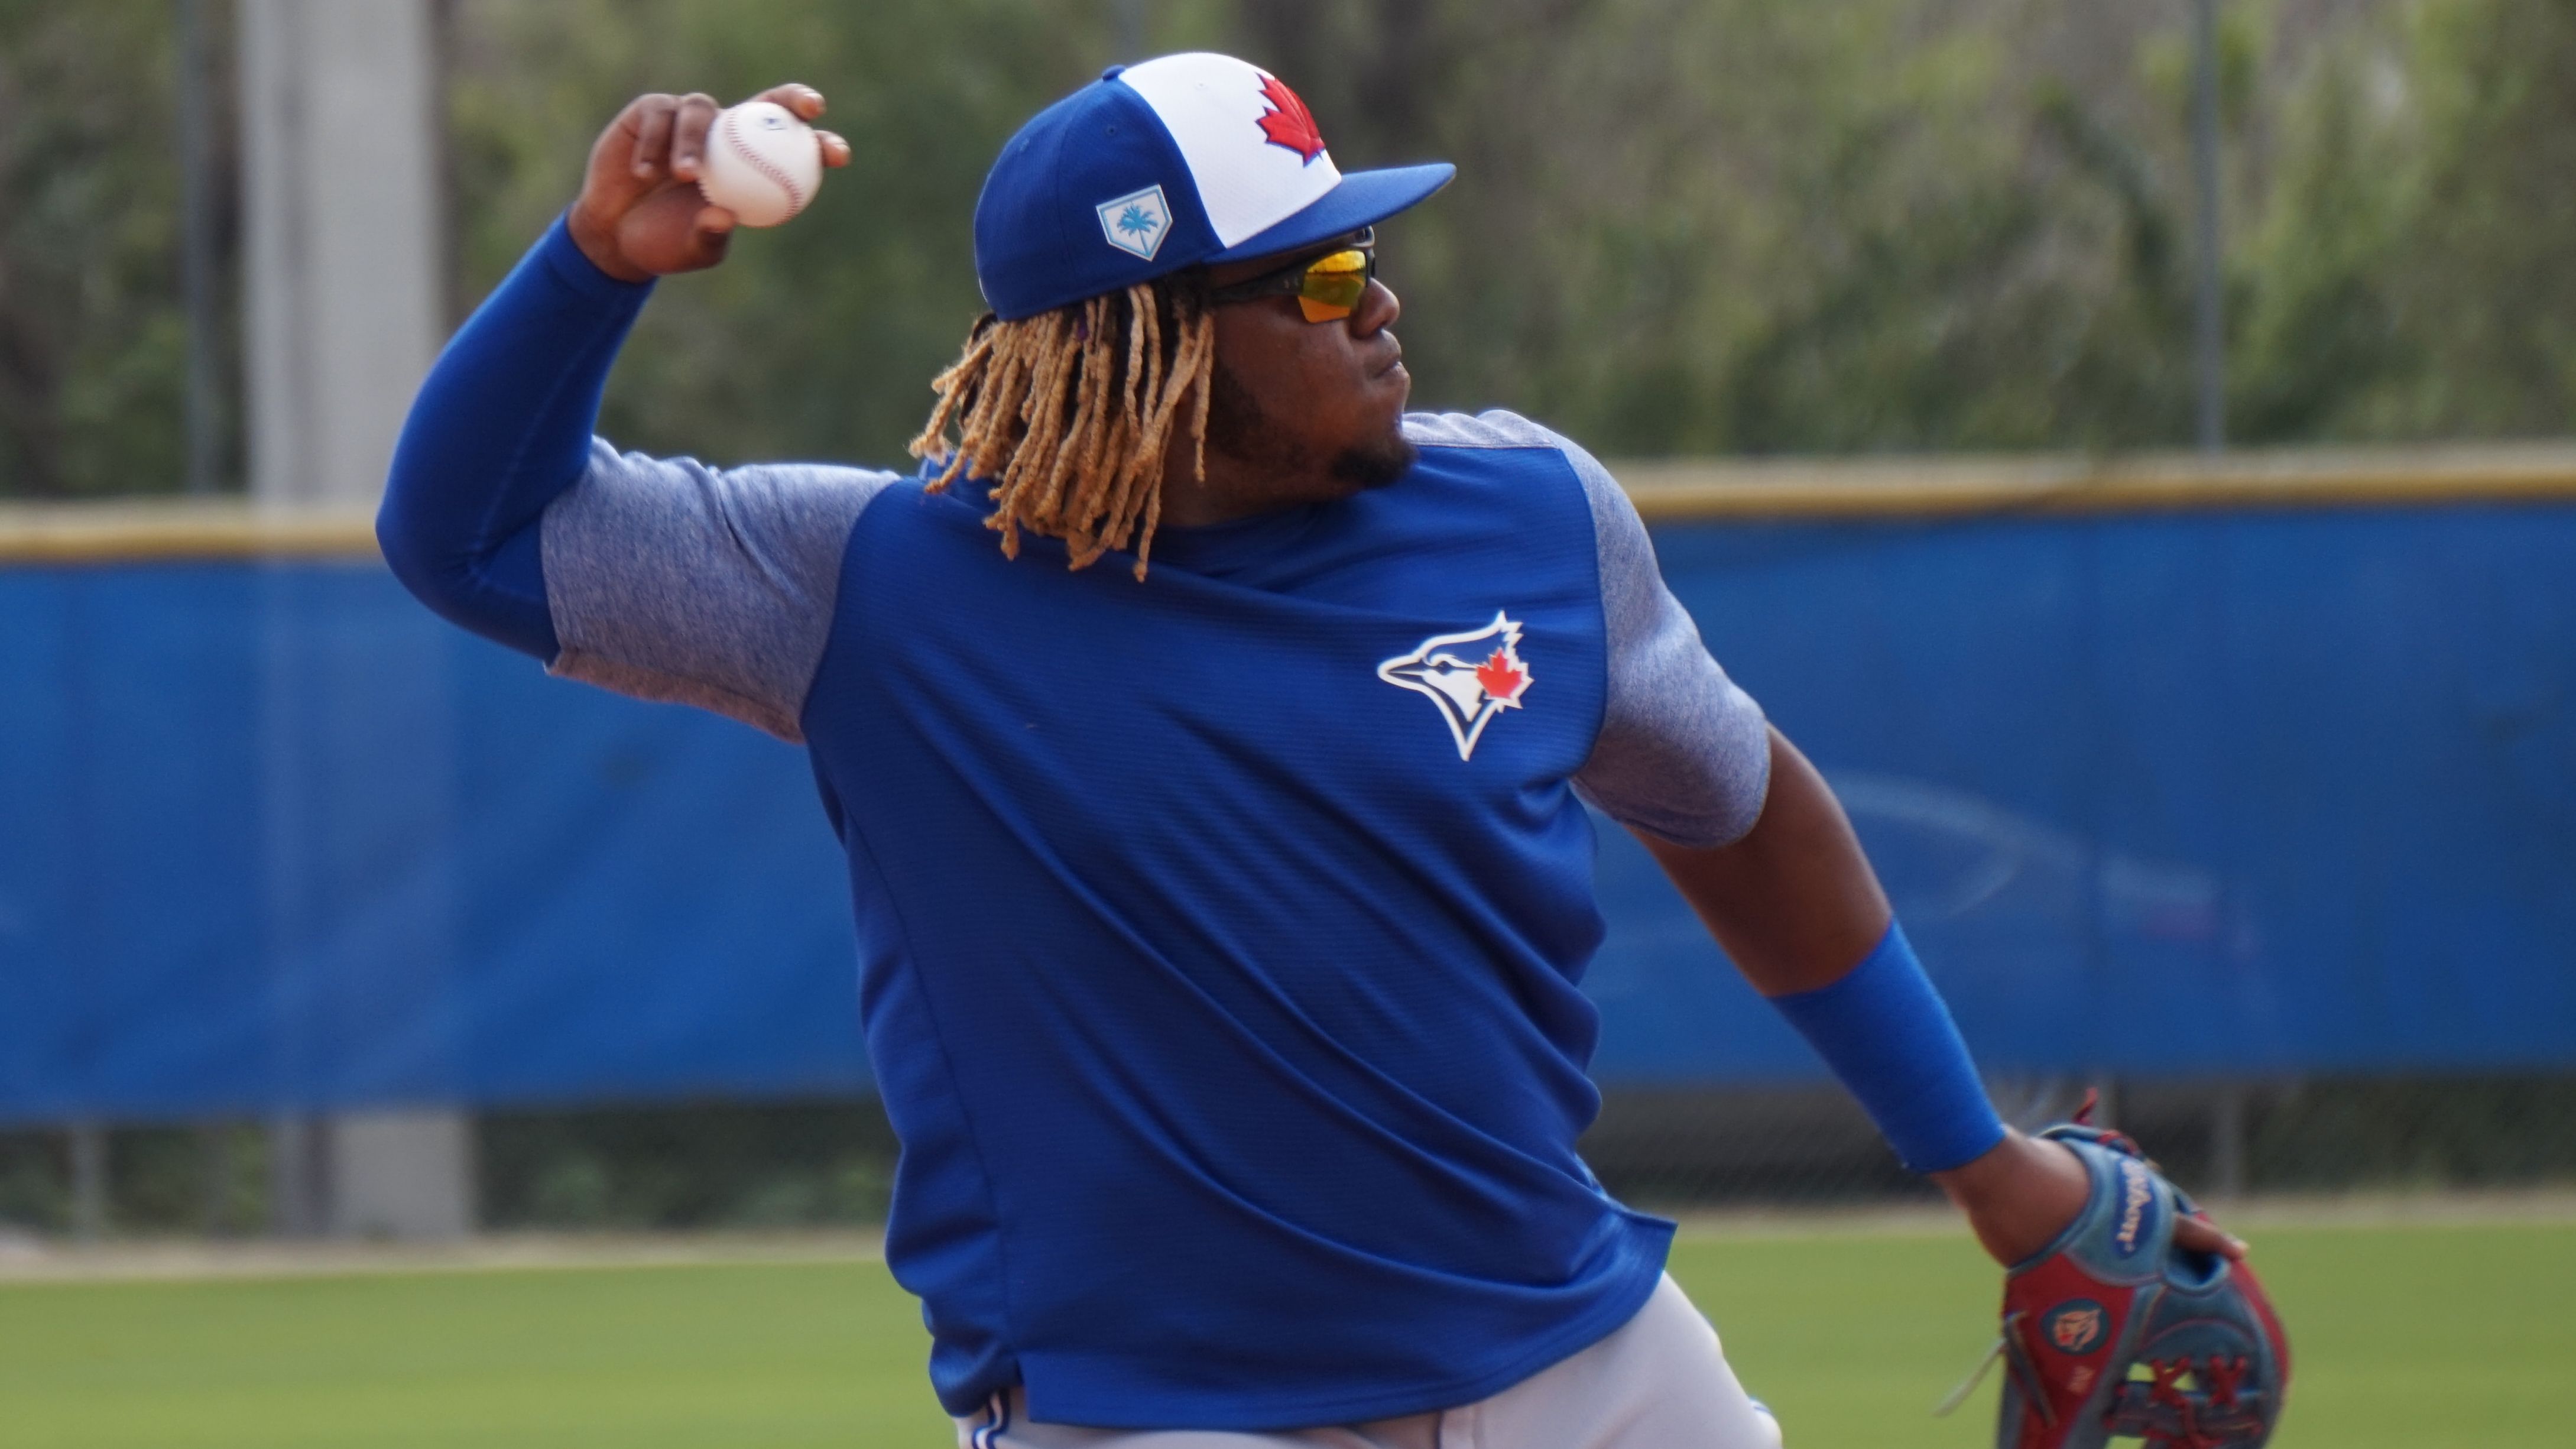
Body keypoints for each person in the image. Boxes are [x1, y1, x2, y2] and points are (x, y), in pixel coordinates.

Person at [381, 54, 2240, 1449]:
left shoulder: (1530, 519)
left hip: (1570, 1351)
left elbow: (1743, 813)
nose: (1385, 304)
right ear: (1146, 348)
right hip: (1154, 1403)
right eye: (1323, 280)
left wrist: (1981, 1160)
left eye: (1369, 253)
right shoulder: (870, 585)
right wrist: (585, 271)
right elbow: (463, 537)